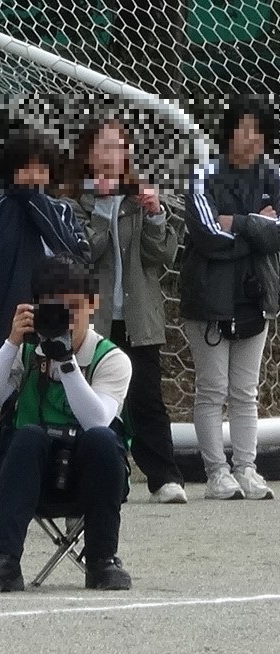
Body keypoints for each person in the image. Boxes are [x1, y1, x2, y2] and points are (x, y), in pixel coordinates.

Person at [0, 254, 133, 593]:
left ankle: (102, 559)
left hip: (89, 480)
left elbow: (98, 421)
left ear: (91, 304)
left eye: (72, 308)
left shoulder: (111, 359)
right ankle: (3, 560)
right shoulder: (27, 353)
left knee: (101, 439)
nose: (64, 319)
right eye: (54, 308)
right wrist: (11, 343)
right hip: (30, 479)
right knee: (27, 436)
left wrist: (66, 361)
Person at [0, 128, 90, 535]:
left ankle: (62, 495)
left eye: (41, 167)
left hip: (58, 329)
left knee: (56, 411)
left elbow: (79, 260)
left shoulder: (62, 212)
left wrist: (39, 207)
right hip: (10, 332)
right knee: (13, 414)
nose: (33, 176)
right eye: (24, 167)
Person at [68, 117, 185, 504]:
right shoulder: (76, 201)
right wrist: (103, 207)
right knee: (94, 401)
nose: (111, 154)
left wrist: (155, 214)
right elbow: (86, 252)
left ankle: (164, 478)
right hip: (94, 320)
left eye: (119, 146)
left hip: (139, 318)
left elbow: (162, 255)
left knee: (147, 399)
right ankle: (106, 479)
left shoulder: (139, 198)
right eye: (103, 146)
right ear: (88, 154)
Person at [180, 95, 280, 501]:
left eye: (259, 130)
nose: (250, 138)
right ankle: (216, 473)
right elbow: (207, 235)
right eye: (243, 128)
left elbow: (276, 234)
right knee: (212, 389)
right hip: (208, 299)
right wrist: (257, 228)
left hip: (256, 299)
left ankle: (247, 469)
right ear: (228, 131)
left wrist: (236, 222)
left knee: (245, 392)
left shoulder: (273, 175)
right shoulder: (203, 174)